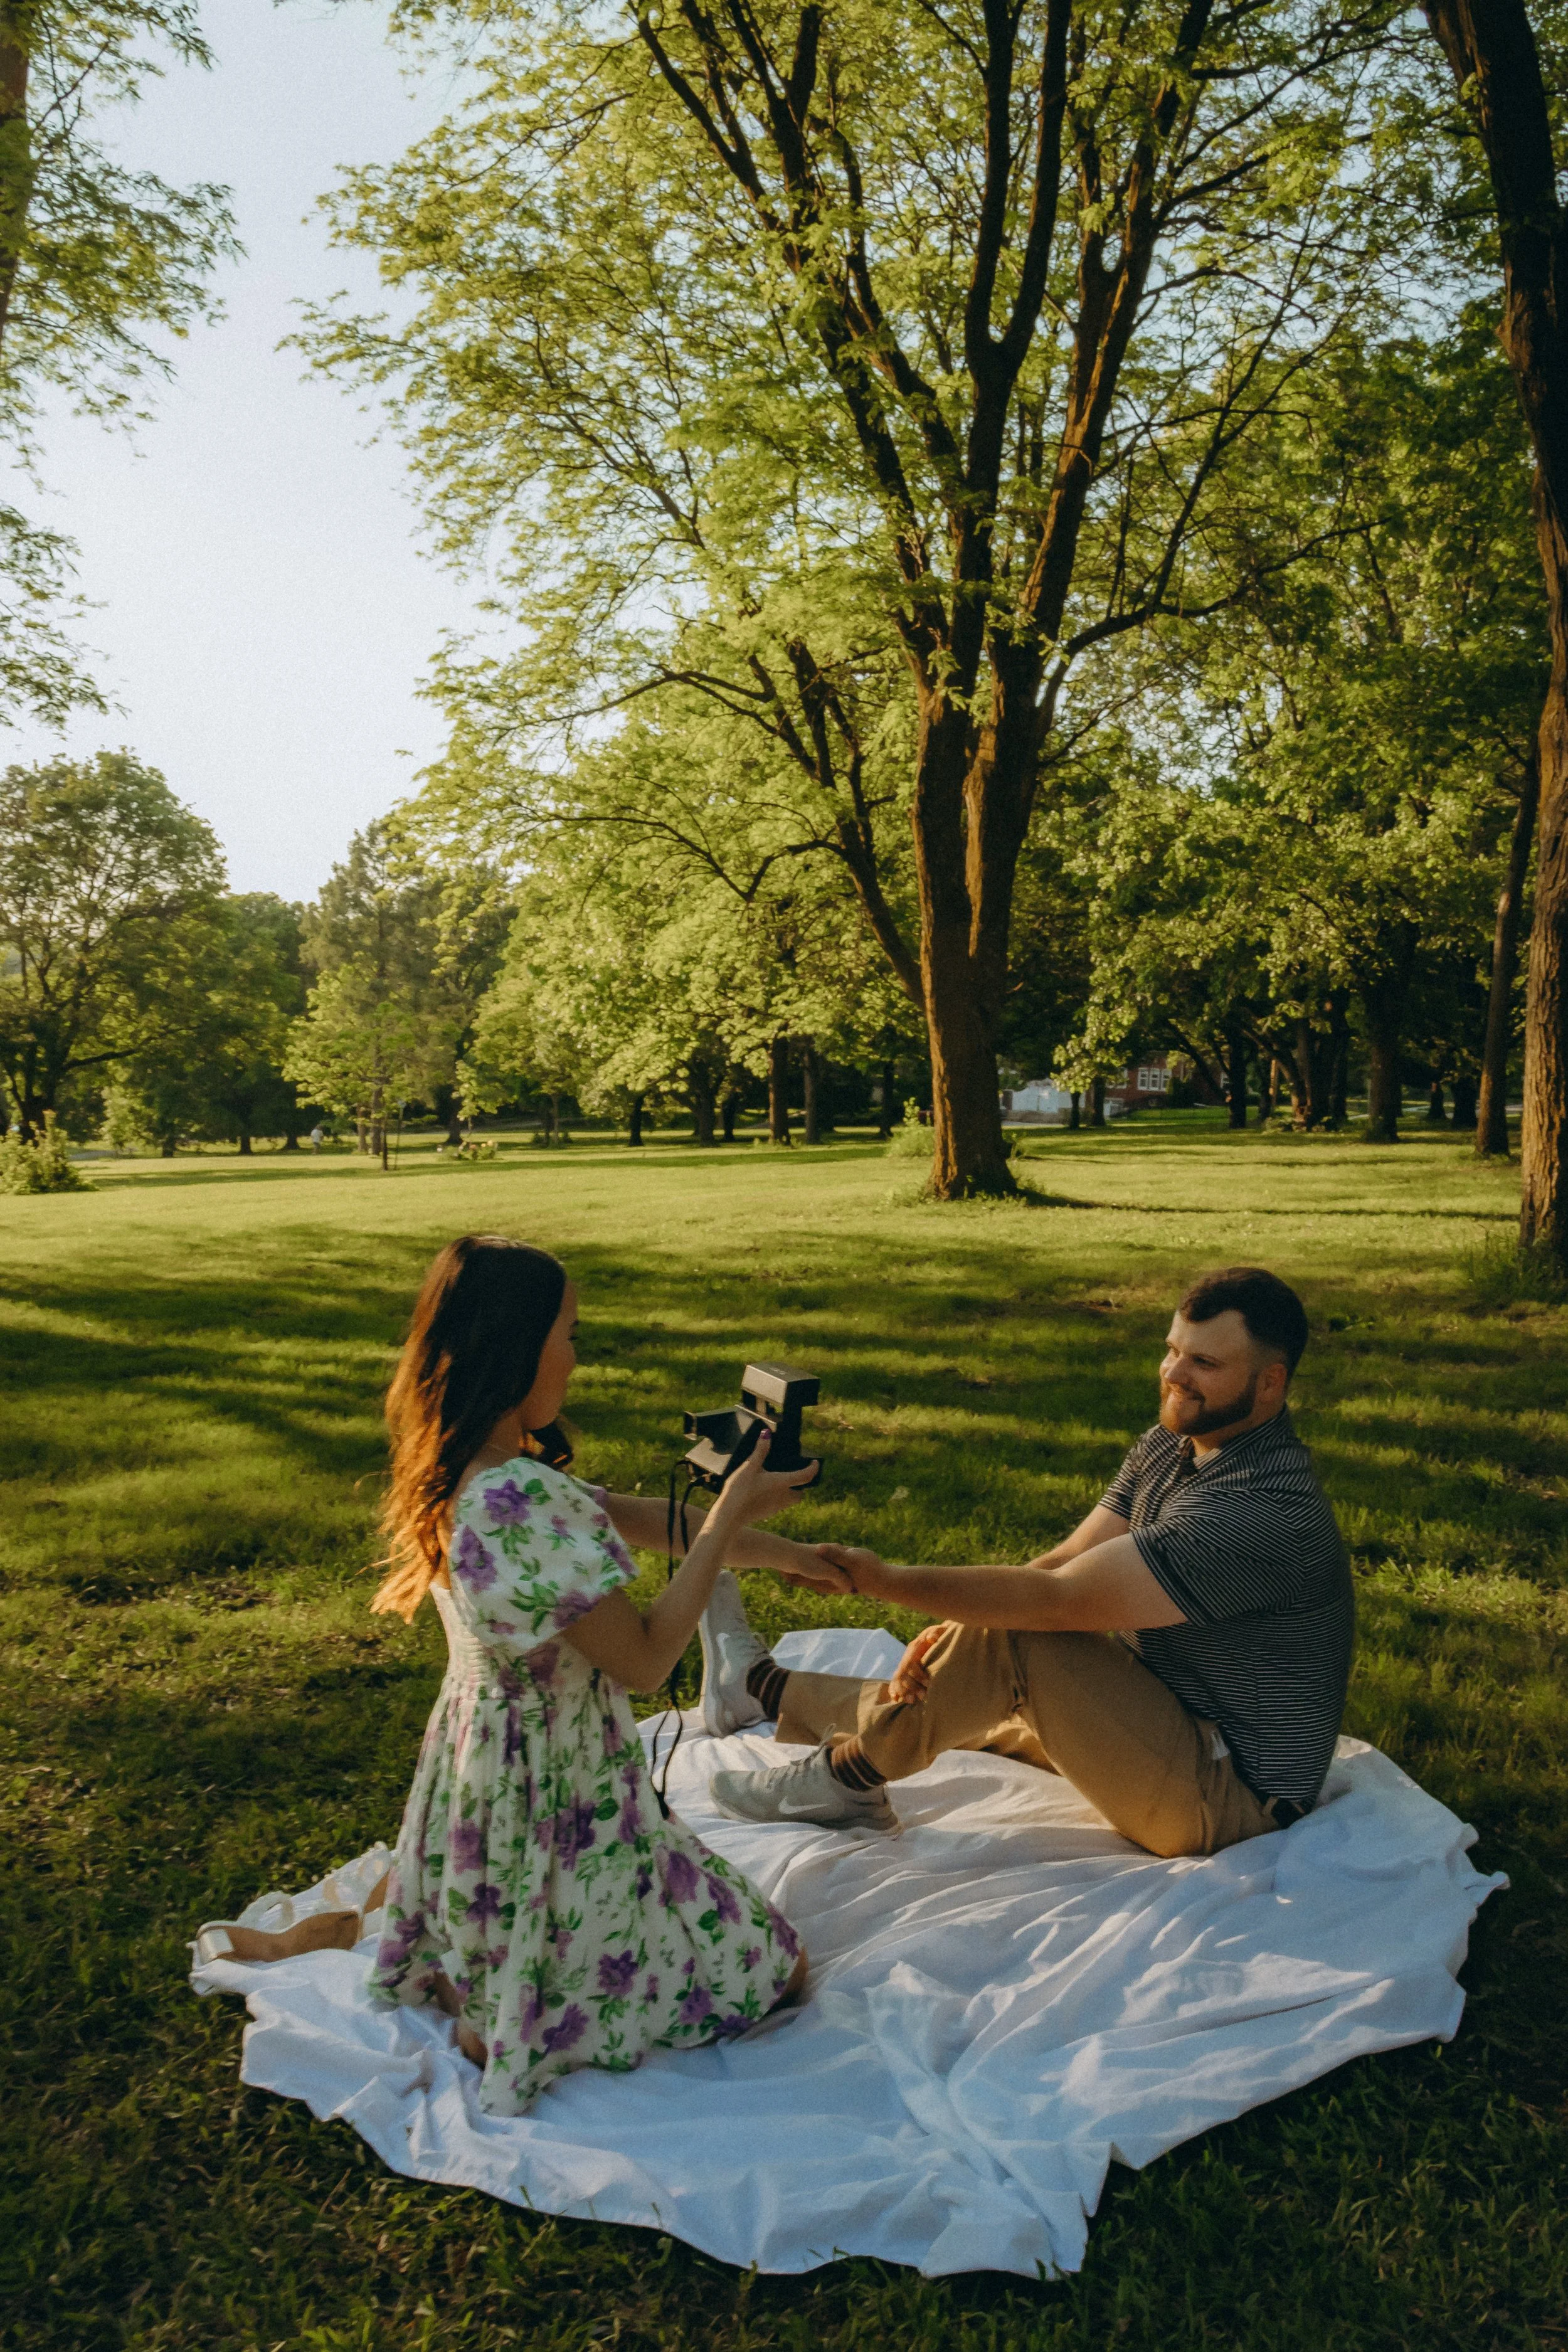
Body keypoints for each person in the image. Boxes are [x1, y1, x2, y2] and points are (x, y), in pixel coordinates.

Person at [211, 1234, 834, 2115]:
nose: (577, 1356)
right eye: (570, 1333)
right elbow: (652, 1657)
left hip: (488, 1794)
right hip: (569, 1809)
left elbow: (626, 1513)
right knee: (779, 1967)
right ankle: (530, 2014)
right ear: (520, 1346)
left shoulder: (466, 1467)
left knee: (559, 1929)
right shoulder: (522, 1501)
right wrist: (733, 1511)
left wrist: (789, 1553)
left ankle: (495, 1985)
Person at [701, 1267, 1353, 1859]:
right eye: (1172, 1350)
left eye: (1204, 1362)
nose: (1172, 1374)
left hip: (1229, 1797)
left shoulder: (1263, 1511)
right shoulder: (1173, 1443)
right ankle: (762, 1689)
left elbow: (1058, 1601)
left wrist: (886, 1582)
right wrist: (956, 1633)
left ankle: (848, 1780)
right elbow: (1066, 1559)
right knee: (968, 1687)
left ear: (1270, 1383)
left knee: (1021, 1641)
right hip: (1170, 1719)